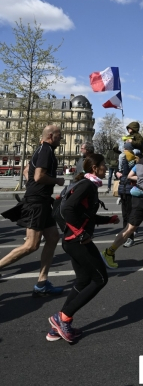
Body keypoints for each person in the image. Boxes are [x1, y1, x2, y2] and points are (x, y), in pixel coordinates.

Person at [47, 154, 120, 342]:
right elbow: (67, 210)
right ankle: (62, 317)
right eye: (104, 165)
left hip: (72, 241)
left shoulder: (85, 184)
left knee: (82, 280)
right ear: (95, 168)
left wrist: (107, 220)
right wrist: (80, 233)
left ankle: (60, 326)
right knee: (100, 278)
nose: (107, 168)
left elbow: (83, 214)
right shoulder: (87, 186)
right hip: (78, 241)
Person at [0, 125, 65, 295]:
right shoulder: (46, 151)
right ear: (51, 136)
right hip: (36, 203)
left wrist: (31, 185)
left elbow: (29, 171)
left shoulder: (42, 149)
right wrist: (57, 181)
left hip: (41, 201)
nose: (61, 138)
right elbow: (38, 176)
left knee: (52, 237)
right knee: (31, 245)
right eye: (59, 136)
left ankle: (42, 283)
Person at [101, 139, 143, 268]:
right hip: (142, 199)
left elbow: (130, 175)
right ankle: (108, 252)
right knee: (130, 228)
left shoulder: (141, 161)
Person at [116, 143, 139, 248]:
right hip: (123, 190)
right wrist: (117, 173)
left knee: (130, 215)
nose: (123, 151)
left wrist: (122, 173)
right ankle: (126, 234)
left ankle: (130, 237)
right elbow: (119, 172)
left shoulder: (134, 161)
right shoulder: (123, 160)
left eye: (125, 149)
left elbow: (131, 175)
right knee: (125, 216)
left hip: (130, 190)